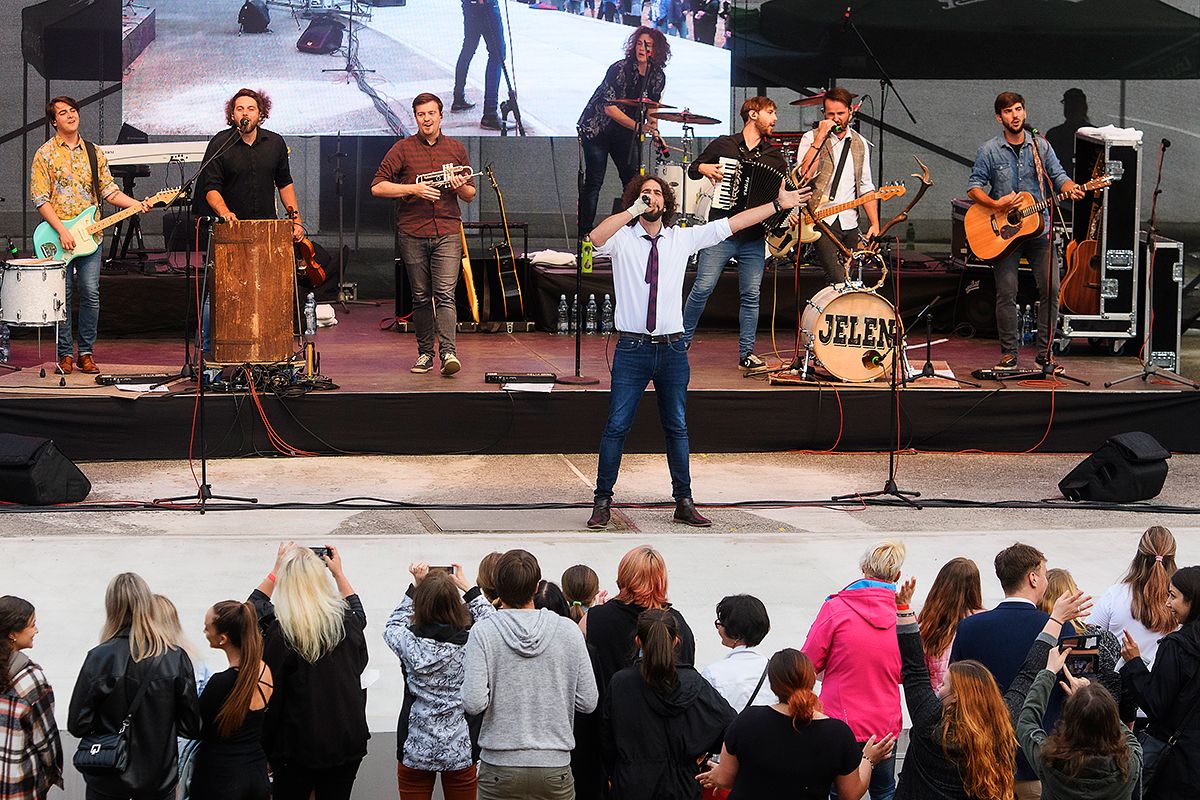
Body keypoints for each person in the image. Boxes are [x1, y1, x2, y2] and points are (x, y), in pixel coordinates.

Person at [585, 173, 810, 529]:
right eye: (644, 193)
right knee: (617, 425)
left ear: (667, 203)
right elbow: (595, 238)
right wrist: (632, 210)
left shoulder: (680, 239)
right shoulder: (622, 240)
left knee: (676, 426)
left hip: (672, 348)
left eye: (657, 193)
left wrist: (778, 205)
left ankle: (684, 500)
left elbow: (730, 225)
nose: (651, 198)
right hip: (632, 347)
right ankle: (601, 501)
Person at [895, 577, 1092, 800]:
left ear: (956, 697)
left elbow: (914, 670)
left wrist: (903, 609)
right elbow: (1027, 675)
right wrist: (1055, 620)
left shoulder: (928, 719)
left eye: (944, 684)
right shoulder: (1001, 722)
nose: (938, 687)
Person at [461, 549, 598, 799]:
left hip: (499, 766)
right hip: (553, 764)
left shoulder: (484, 632)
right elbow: (588, 701)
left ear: (496, 588)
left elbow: (473, 701)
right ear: (537, 587)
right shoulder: (568, 631)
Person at [950, 542, 1081, 800]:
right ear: (1033, 578)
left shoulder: (970, 628)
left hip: (985, 761)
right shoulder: (1059, 629)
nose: (1045, 580)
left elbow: (956, 690)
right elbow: (1071, 692)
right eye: (1043, 574)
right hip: (1038, 761)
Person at [31, 96, 150, 376]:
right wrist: (62, 230)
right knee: (63, 295)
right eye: (63, 112)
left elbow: (109, 191)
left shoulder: (94, 152)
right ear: (53, 121)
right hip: (57, 236)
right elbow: (40, 198)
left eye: (73, 110)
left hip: (90, 237)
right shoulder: (44, 154)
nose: (70, 115)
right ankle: (64, 355)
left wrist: (137, 204)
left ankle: (86, 352)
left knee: (91, 294)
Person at [967, 91, 1084, 373]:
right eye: (1008, 112)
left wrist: (1071, 188)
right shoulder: (989, 150)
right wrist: (996, 203)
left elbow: (1058, 176)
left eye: (1018, 109)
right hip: (1005, 235)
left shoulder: (1041, 146)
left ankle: (1044, 354)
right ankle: (1009, 354)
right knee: (1007, 292)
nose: (1015, 115)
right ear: (999, 117)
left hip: (1038, 230)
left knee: (1052, 288)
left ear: (1025, 112)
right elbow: (974, 187)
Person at [248, 543, 369, 800]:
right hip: (345, 740)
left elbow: (252, 607)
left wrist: (276, 568)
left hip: (294, 747)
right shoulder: (347, 624)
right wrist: (338, 573)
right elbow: (359, 613)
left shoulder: (280, 633)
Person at [68, 573, 201, 800]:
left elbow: (77, 725)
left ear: (111, 607)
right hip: (159, 782)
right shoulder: (175, 658)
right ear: (147, 605)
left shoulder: (99, 657)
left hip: (107, 779)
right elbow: (191, 726)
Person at [371, 93, 477, 377]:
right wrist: (412, 189)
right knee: (420, 297)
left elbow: (470, 194)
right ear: (415, 118)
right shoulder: (402, 149)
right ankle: (424, 355)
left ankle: (449, 354)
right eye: (421, 114)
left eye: (431, 113)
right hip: (412, 231)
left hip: (447, 230)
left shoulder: (456, 148)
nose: (427, 119)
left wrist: (458, 186)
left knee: (445, 295)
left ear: (441, 116)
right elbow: (377, 187)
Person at [697, 648, 894, 800]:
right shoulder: (837, 733)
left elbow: (725, 780)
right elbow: (850, 794)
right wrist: (868, 759)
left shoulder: (747, 720)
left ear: (773, 684)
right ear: (811, 680)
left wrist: (718, 773)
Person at [683, 96, 789, 371]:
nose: (775, 118)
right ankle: (680, 343)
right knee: (703, 287)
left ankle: (747, 354)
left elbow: (777, 196)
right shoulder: (724, 144)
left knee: (751, 294)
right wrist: (705, 167)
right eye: (770, 112)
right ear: (752, 114)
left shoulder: (774, 156)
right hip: (720, 232)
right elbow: (694, 169)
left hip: (753, 236)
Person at [195, 88, 304, 353]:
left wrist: (296, 221)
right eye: (240, 109)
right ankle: (208, 356)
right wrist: (224, 212)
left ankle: (271, 352)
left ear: (261, 113)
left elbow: (285, 184)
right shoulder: (220, 143)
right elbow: (211, 187)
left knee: (270, 291)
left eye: (251, 108)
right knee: (218, 293)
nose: (245, 113)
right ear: (232, 115)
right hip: (229, 230)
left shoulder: (275, 143)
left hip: (267, 231)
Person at [801, 540, 906, 800]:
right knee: (884, 791)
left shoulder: (836, 608)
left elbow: (807, 664)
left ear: (863, 569)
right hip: (884, 724)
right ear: (897, 575)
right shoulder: (904, 615)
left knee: (837, 793)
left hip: (839, 721)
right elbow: (908, 671)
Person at [383, 562, 494, 800]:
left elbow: (392, 625)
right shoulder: (473, 642)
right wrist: (468, 588)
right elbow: (491, 621)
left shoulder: (408, 642)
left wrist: (416, 586)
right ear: (456, 606)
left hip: (414, 747)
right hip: (461, 748)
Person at [603, 609, 736, 799]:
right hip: (681, 785)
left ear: (638, 641)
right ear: (675, 641)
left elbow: (606, 738)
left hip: (633, 783)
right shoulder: (693, 682)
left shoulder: (621, 683)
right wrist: (701, 752)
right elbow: (730, 726)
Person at [577, 27, 670, 238]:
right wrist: (640, 127)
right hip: (598, 129)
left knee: (633, 182)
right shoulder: (619, 69)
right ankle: (585, 235)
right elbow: (609, 108)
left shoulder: (657, 76)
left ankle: (631, 231)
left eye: (648, 45)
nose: (642, 48)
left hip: (625, 132)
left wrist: (654, 130)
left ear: (657, 50)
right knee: (594, 182)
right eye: (639, 43)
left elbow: (652, 107)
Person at [1016, 646, 1140, 800]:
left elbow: (1026, 723)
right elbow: (1131, 739)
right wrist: (1096, 703)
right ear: (1112, 720)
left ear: (1069, 721)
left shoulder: (1049, 761)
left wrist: (1048, 672)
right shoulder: (1130, 761)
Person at [1120, 565, 1200, 800]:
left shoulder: (1177, 647)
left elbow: (1155, 704)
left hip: (1175, 766)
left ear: (1192, 601)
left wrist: (1134, 663)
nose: (1167, 603)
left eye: (1173, 596)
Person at [189, 600, 274, 800]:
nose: (204, 632)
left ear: (223, 639)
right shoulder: (264, 671)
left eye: (207, 627)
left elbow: (196, 727)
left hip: (221, 777)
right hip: (255, 771)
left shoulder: (221, 683)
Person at [795, 87, 879, 286]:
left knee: (849, 278)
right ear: (824, 114)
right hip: (820, 218)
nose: (836, 118)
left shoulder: (860, 143)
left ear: (850, 111)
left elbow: (866, 186)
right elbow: (805, 175)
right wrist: (820, 137)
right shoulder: (810, 138)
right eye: (830, 114)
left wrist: (874, 223)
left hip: (850, 220)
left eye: (840, 113)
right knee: (838, 278)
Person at [582, 546, 696, 689]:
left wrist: (599, 610)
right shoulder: (677, 624)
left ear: (623, 577)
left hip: (609, 707)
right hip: (663, 708)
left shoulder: (594, 618)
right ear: (661, 581)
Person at [1037, 568, 1134, 723]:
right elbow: (1122, 687)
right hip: (1100, 723)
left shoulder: (1040, 641)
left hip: (1048, 725)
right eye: (1075, 588)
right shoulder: (1101, 639)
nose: (1081, 591)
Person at [0, 596, 62, 800]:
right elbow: (46, 742)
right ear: (12, 634)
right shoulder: (29, 680)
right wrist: (53, 774)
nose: (36, 631)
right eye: (32, 625)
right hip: (18, 788)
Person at [1092, 526, 1178, 670]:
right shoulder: (1182, 603)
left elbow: (1089, 638)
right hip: (1163, 685)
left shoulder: (1115, 596)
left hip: (1116, 684)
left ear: (1138, 557)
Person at [917, 557, 983, 691]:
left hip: (938, 702)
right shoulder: (984, 621)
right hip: (973, 703)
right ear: (975, 588)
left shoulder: (928, 625)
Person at [700, 594, 772, 710]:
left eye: (720, 624)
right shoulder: (774, 671)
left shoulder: (713, 674)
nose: (718, 628)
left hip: (730, 728)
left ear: (735, 633)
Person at [451, 0, 507, 130]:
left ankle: (458, 98)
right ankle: (490, 113)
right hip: (485, 5)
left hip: (470, 5)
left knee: (468, 48)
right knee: (497, 54)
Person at [1046, 88, 1093, 177]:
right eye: (1069, 104)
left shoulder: (1094, 135)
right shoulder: (1054, 135)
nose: (1072, 108)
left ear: (1083, 107)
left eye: (1075, 104)